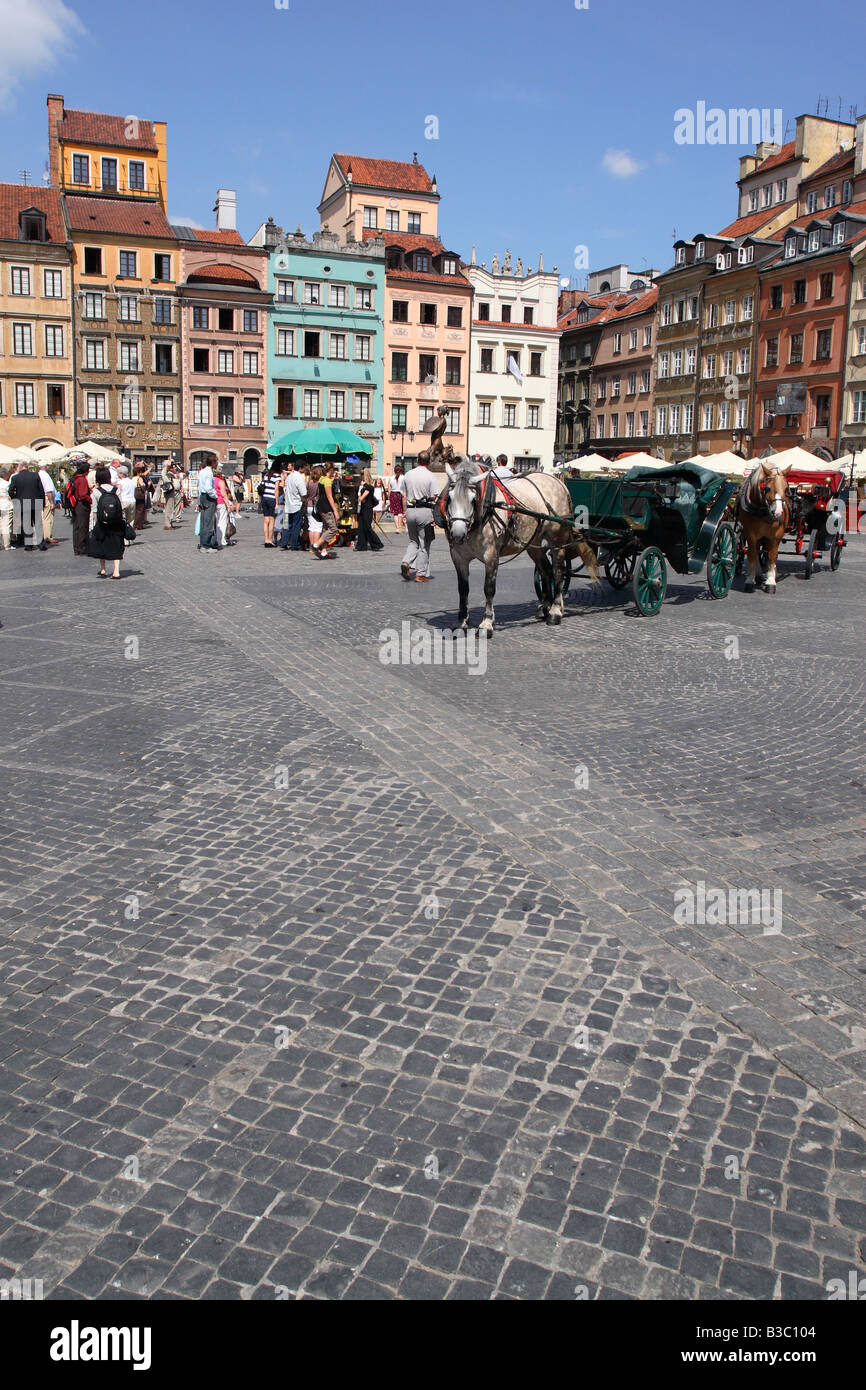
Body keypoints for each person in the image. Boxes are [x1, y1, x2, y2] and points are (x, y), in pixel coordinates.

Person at [399, 452, 442, 582]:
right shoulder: (431, 476)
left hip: (411, 510)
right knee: (424, 544)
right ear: (429, 462)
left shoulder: (408, 474)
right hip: (425, 511)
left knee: (413, 541)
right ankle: (420, 574)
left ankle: (406, 561)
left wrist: (405, 512)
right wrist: (435, 516)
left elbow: (404, 495)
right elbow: (434, 498)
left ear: (417, 460)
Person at [88, 465, 126, 579]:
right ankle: (116, 571)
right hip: (116, 522)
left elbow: (94, 510)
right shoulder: (116, 490)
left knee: (102, 543)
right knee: (117, 544)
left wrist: (93, 525)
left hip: (102, 522)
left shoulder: (96, 491)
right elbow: (121, 507)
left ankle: (103, 569)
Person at [8, 463, 46, 550]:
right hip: (36, 502)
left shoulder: (15, 477)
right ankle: (41, 545)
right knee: (38, 524)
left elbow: (10, 491)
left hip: (23, 503)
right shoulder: (35, 475)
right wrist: (43, 503)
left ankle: (29, 545)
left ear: (20, 468)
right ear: (27, 467)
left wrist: (16, 498)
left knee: (27, 524)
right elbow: (41, 490)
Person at [278, 462, 307, 551]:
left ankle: (284, 542)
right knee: (296, 526)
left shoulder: (289, 477)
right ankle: (294, 544)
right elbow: (303, 493)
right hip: (296, 505)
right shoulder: (299, 478)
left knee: (286, 526)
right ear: (301, 468)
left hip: (287, 505)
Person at [313, 463, 340, 557]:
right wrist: (335, 511)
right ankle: (316, 544)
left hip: (321, 506)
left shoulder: (322, 479)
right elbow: (329, 497)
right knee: (333, 529)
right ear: (331, 470)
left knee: (326, 528)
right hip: (326, 507)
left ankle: (324, 550)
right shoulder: (327, 481)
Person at [355, 467, 384, 552]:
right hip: (363, 507)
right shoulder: (364, 486)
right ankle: (361, 545)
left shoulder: (369, 487)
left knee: (367, 527)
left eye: (361, 475)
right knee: (361, 527)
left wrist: (360, 498)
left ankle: (377, 544)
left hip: (367, 508)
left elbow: (362, 497)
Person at [70, 460, 92, 556]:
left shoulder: (75, 478)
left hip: (75, 504)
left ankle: (77, 547)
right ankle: (82, 548)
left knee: (77, 526)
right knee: (82, 526)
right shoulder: (82, 479)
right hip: (82, 505)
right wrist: (91, 500)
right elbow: (82, 495)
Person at [197, 455, 219, 552]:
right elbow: (208, 487)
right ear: (213, 463)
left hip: (202, 496)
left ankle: (203, 543)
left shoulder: (202, 471)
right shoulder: (209, 473)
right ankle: (206, 545)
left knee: (203, 521)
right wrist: (215, 496)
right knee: (209, 522)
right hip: (208, 497)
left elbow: (200, 486)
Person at [260, 464, 281, 547]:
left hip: (264, 498)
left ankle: (266, 540)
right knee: (272, 520)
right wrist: (276, 502)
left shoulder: (266, 475)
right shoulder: (277, 476)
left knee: (266, 520)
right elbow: (276, 490)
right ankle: (270, 540)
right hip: (271, 498)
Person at [37, 463, 59, 545]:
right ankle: (48, 537)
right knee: (48, 518)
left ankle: (45, 535)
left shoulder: (39, 474)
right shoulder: (45, 476)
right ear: (45, 467)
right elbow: (48, 490)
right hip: (47, 498)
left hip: (42, 497)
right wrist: (52, 502)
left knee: (44, 517)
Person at [214, 465, 234, 549]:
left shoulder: (211, 480)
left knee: (215, 522)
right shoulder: (220, 481)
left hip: (213, 502)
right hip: (221, 502)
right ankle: (221, 540)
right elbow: (224, 495)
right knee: (222, 522)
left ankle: (215, 539)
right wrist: (228, 506)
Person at [161, 459, 183, 530]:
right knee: (169, 508)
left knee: (170, 508)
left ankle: (169, 523)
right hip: (169, 491)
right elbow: (167, 467)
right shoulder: (164, 471)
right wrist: (169, 463)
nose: (172, 466)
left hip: (171, 490)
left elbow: (176, 476)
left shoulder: (168, 472)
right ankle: (168, 524)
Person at [117, 466, 136, 531]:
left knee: (123, 520)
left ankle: (124, 538)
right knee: (131, 520)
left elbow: (118, 492)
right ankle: (130, 536)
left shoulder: (120, 482)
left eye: (118, 473)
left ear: (121, 474)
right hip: (132, 501)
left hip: (124, 501)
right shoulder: (131, 482)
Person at [389, 464, 407, 532]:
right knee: (401, 512)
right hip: (400, 494)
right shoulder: (403, 477)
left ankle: (397, 528)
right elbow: (405, 487)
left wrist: (389, 498)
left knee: (395, 513)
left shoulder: (391, 478)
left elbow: (389, 488)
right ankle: (401, 527)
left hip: (393, 494)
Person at [133, 466, 151, 530]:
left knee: (136, 509)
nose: (141, 473)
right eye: (140, 472)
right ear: (138, 472)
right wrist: (146, 487)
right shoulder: (139, 478)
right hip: (139, 493)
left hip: (134, 493)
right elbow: (142, 485)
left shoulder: (132, 478)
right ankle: (139, 525)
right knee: (141, 509)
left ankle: (134, 523)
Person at [0, 466, 13, 551]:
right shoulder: (6, 483)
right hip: (6, 505)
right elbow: (10, 494)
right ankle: (6, 544)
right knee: (6, 525)